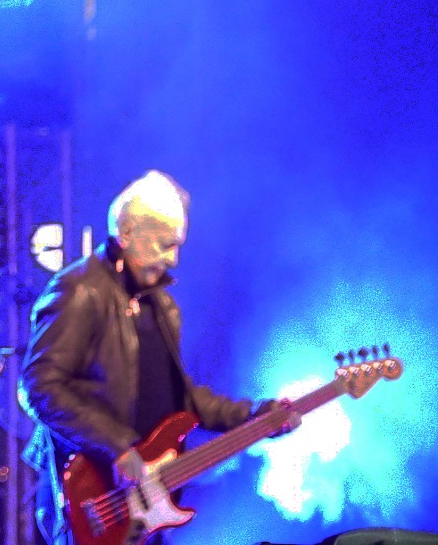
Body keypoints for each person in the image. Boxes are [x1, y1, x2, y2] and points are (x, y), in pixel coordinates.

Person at [19, 170, 287, 544]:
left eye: (177, 246)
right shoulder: (79, 291)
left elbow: (183, 399)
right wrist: (118, 446)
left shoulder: (161, 306)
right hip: (90, 497)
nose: (173, 260)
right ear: (127, 232)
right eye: (164, 245)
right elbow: (39, 387)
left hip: (144, 502)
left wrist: (257, 415)